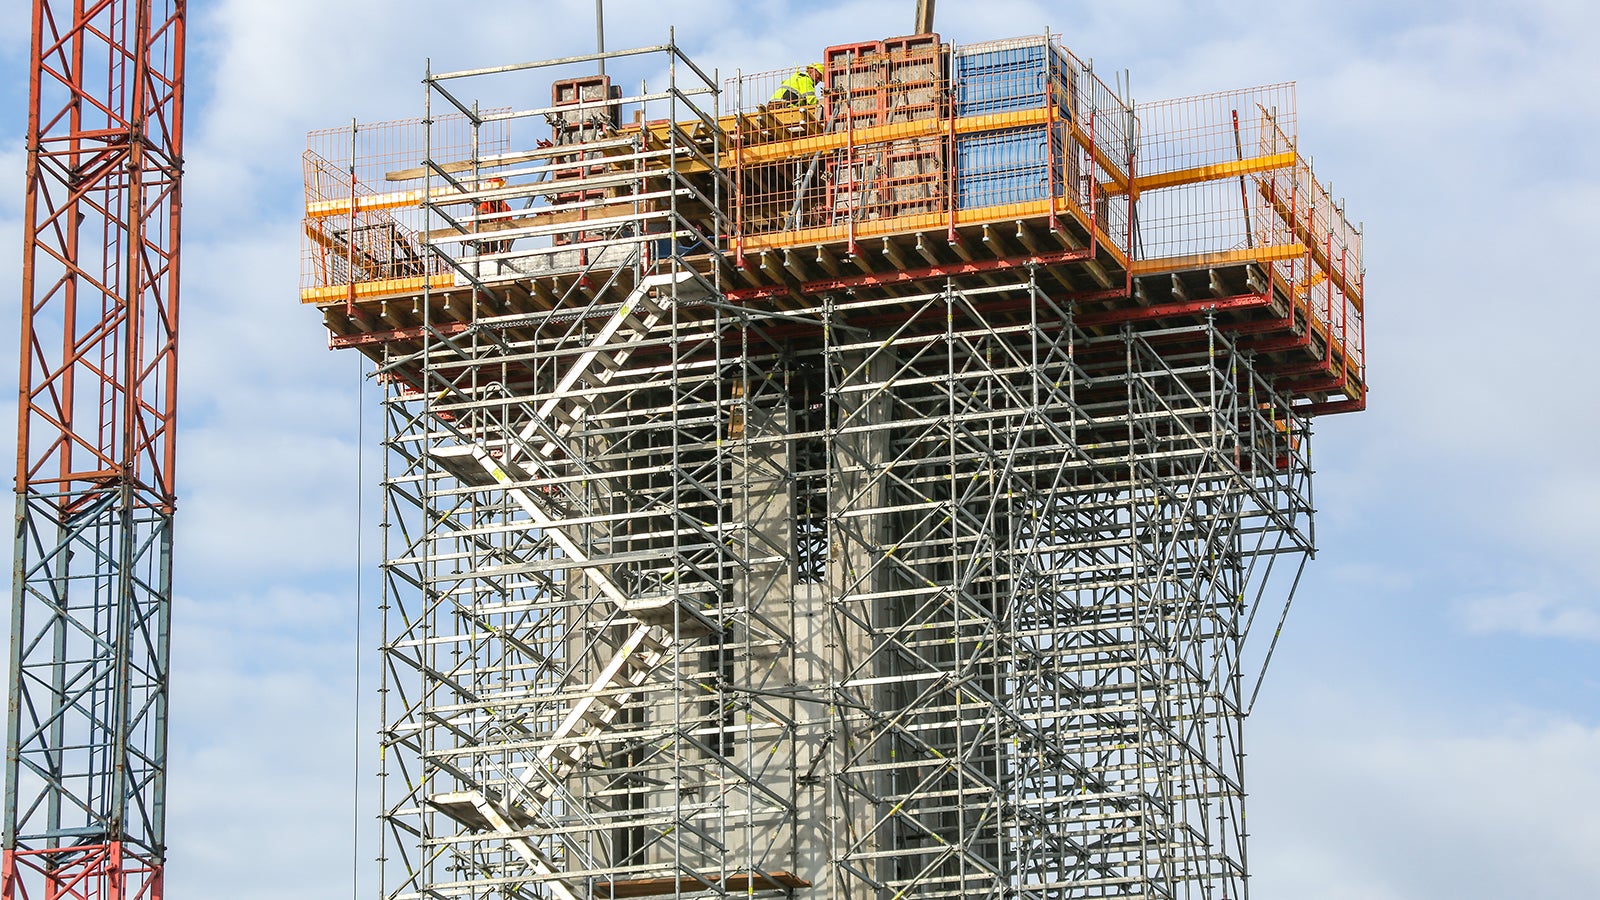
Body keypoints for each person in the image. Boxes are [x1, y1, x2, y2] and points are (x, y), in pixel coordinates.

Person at [474, 176, 512, 255]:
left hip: (495, 235)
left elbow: (509, 226)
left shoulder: (505, 207)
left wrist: (506, 243)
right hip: (485, 235)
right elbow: (480, 218)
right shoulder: (484, 204)